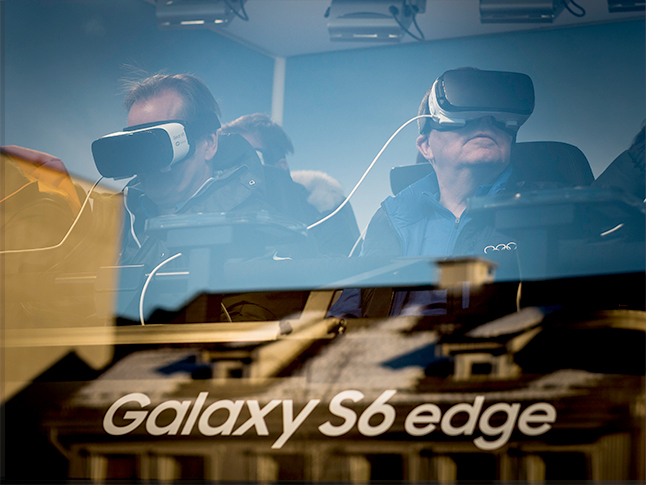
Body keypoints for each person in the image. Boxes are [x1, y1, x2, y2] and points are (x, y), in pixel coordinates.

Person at [330, 68, 541, 318]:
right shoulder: (391, 220)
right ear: (426, 146)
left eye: (498, 119)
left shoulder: (544, 211)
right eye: (467, 117)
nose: (485, 123)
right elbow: (349, 315)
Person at [220, 113, 361, 256]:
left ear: (280, 166)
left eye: (251, 158)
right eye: (231, 160)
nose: (238, 170)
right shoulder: (220, 214)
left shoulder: (325, 214)